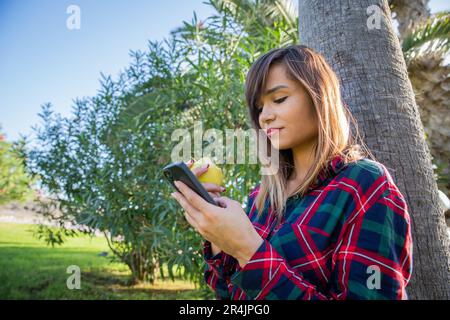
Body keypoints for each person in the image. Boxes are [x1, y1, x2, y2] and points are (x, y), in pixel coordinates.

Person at [170, 44, 413, 300]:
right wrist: (218, 235)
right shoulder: (261, 197)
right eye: (259, 107)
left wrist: (248, 250)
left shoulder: (364, 184)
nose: (265, 117)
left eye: (279, 99)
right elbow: (228, 295)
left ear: (319, 97)